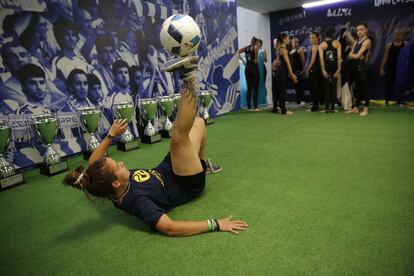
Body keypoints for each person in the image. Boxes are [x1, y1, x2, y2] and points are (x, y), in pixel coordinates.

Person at [63, 55, 245, 236]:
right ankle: (188, 75)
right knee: (178, 137)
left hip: (170, 167)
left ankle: (202, 164)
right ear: (115, 182)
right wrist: (215, 224)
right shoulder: (137, 201)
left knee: (198, 123)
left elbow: (95, 162)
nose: (122, 163)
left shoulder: (105, 183)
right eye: (118, 166)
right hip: (187, 183)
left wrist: (110, 135)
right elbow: (169, 227)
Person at [346, 22, 372, 116]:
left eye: (361, 29)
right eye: (357, 30)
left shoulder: (367, 41)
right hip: (355, 67)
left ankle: (366, 109)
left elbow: (356, 55)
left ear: (366, 30)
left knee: (365, 88)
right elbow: (350, 55)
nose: (359, 32)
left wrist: (355, 55)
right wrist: (355, 55)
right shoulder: (357, 41)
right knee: (357, 88)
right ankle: (356, 108)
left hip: (363, 67)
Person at [380, 28, 406, 106]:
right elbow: (385, 57)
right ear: (394, 35)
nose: (398, 36)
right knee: (389, 85)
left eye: (400, 35)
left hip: (401, 69)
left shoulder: (406, 44)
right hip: (390, 68)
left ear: (402, 36)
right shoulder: (389, 45)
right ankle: (386, 101)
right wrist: (381, 68)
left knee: (400, 86)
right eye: (396, 35)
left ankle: (399, 101)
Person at [319, 27, 342, 113]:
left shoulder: (322, 45)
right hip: (335, 67)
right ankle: (332, 107)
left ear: (325, 35)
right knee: (333, 87)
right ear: (333, 34)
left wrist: (323, 70)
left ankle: (326, 108)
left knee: (326, 87)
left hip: (326, 67)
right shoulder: (337, 43)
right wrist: (339, 68)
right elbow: (339, 56)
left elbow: (321, 58)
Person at [275, 33, 297, 115]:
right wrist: (292, 74)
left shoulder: (280, 48)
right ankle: (283, 110)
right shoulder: (283, 49)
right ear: (284, 39)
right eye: (288, 38)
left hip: (281, 72)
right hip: (282, 72)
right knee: (282, 91)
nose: (289, 40)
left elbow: (277, 62)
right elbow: (288, 63)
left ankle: (281, 108)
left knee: (281, 91)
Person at [239, 36, 260, 111]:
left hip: (247, 69)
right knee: (255, 88)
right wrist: (255, 59)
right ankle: (255, 107)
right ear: (256, 42)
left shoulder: (246, 48)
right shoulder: (256, 48)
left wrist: (243, 61)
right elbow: (256, 60)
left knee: (249, 88)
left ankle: (248, 107)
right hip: (254, 69)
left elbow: (238, 52)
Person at [305, 31, 322, 112]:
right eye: (310, 38)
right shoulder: (318, 46)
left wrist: (307, 69)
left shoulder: (315, 46)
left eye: (313, 38)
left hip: (314, 69)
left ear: (317, 38)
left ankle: (315, 107)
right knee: (316, 88)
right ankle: (316, 105)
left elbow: (312, 60)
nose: (311, 39)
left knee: (314, 88)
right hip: (317, 69)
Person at [289, 37, 306, 105]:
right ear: (291, 42)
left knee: (300, 85)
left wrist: (303, 70)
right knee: (296, 86)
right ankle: (298, 100)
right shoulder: (290, 51)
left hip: (299, 71)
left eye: (297, 42)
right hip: (293, 71)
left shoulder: (300, 50)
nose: (296, 43)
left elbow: (303, 61)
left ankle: (302, 100)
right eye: (294, 42)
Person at [257, 39, 268, 107]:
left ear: (261, 44)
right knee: (256, 85)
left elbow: (265, 60)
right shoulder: (254, 50)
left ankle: (264, 100)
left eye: (258, 43)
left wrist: (263, 55)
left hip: (262, 69)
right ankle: (258, 100)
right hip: (255, 70)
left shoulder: (263, 50)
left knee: (262, 84)